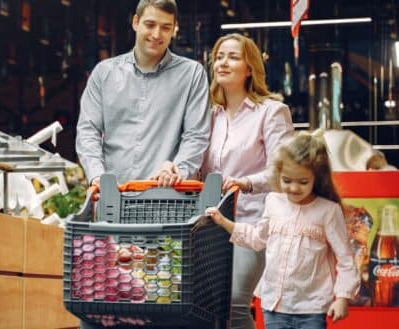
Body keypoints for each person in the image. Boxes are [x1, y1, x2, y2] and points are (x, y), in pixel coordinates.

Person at [156, 33, 294, 329]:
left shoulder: (271, 112)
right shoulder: (206, 117)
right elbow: (193, 167)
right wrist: (174, 168)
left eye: (233, 56)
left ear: (249, 68)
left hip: (252, 223)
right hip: (207, 226)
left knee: (233, 302)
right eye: (219, 56)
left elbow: (283, 173)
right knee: (203, 306)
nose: (223, 62)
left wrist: (243, 183)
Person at [205, 130, 360, 329]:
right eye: (287, 180)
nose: (294, 188)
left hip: (311, 309)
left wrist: (343, 297)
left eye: (303, 182)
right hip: (274, 306)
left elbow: (346, 259)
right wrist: (224, 222)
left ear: (317, 177)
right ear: (279, 174)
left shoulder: (328, 211)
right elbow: (257, 238)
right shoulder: (273, 202)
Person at [76, 0, 210, 188]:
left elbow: (196, 135)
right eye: (150, 24)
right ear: (136, 22)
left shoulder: (192, 75)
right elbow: (88, 130)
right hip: (113, 195)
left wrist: (177, 171)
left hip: (167, 196)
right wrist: (97, 176)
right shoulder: (104, 73)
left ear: (174, 30)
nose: (156, 34)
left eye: (165, 27)